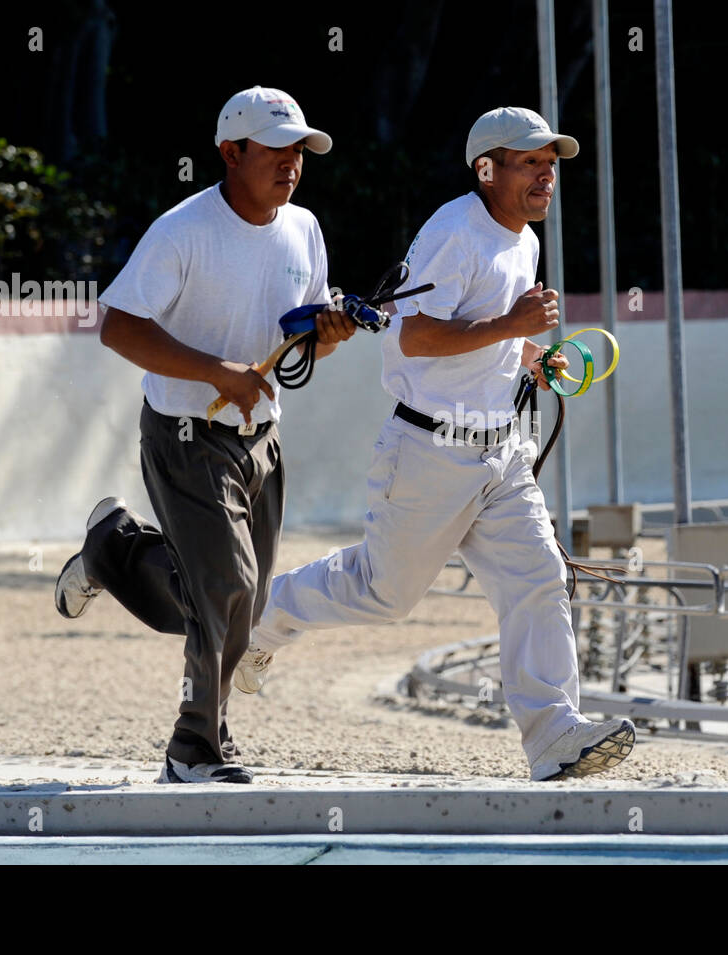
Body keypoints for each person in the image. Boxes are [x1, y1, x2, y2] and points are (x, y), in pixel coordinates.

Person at [237, 106, 635, 781]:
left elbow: (481, 333)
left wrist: (529, 352)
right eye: (530, 160)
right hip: (430, 453)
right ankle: (256, 625)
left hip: (501, 452)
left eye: (551, 162)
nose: (547, 174)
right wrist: (511, 322)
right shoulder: (455, 231)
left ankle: (554, 736)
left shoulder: (522, 240)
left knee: (538, 576)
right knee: (381, 591)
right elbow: (414, 336)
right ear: (488, 169)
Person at [52, 87, 355, 784]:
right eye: (275, 148)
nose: (291, 162)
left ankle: (112, 550)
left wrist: (327, 332)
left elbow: (301, 342)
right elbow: (120, 326)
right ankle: (195, 746)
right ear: (230, 152)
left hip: (263, 441)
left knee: (237, 599)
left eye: (299, 149)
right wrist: (221, 372)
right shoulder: (182, 230)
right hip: (186, 435)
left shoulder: (304, 229)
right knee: (228, 584)